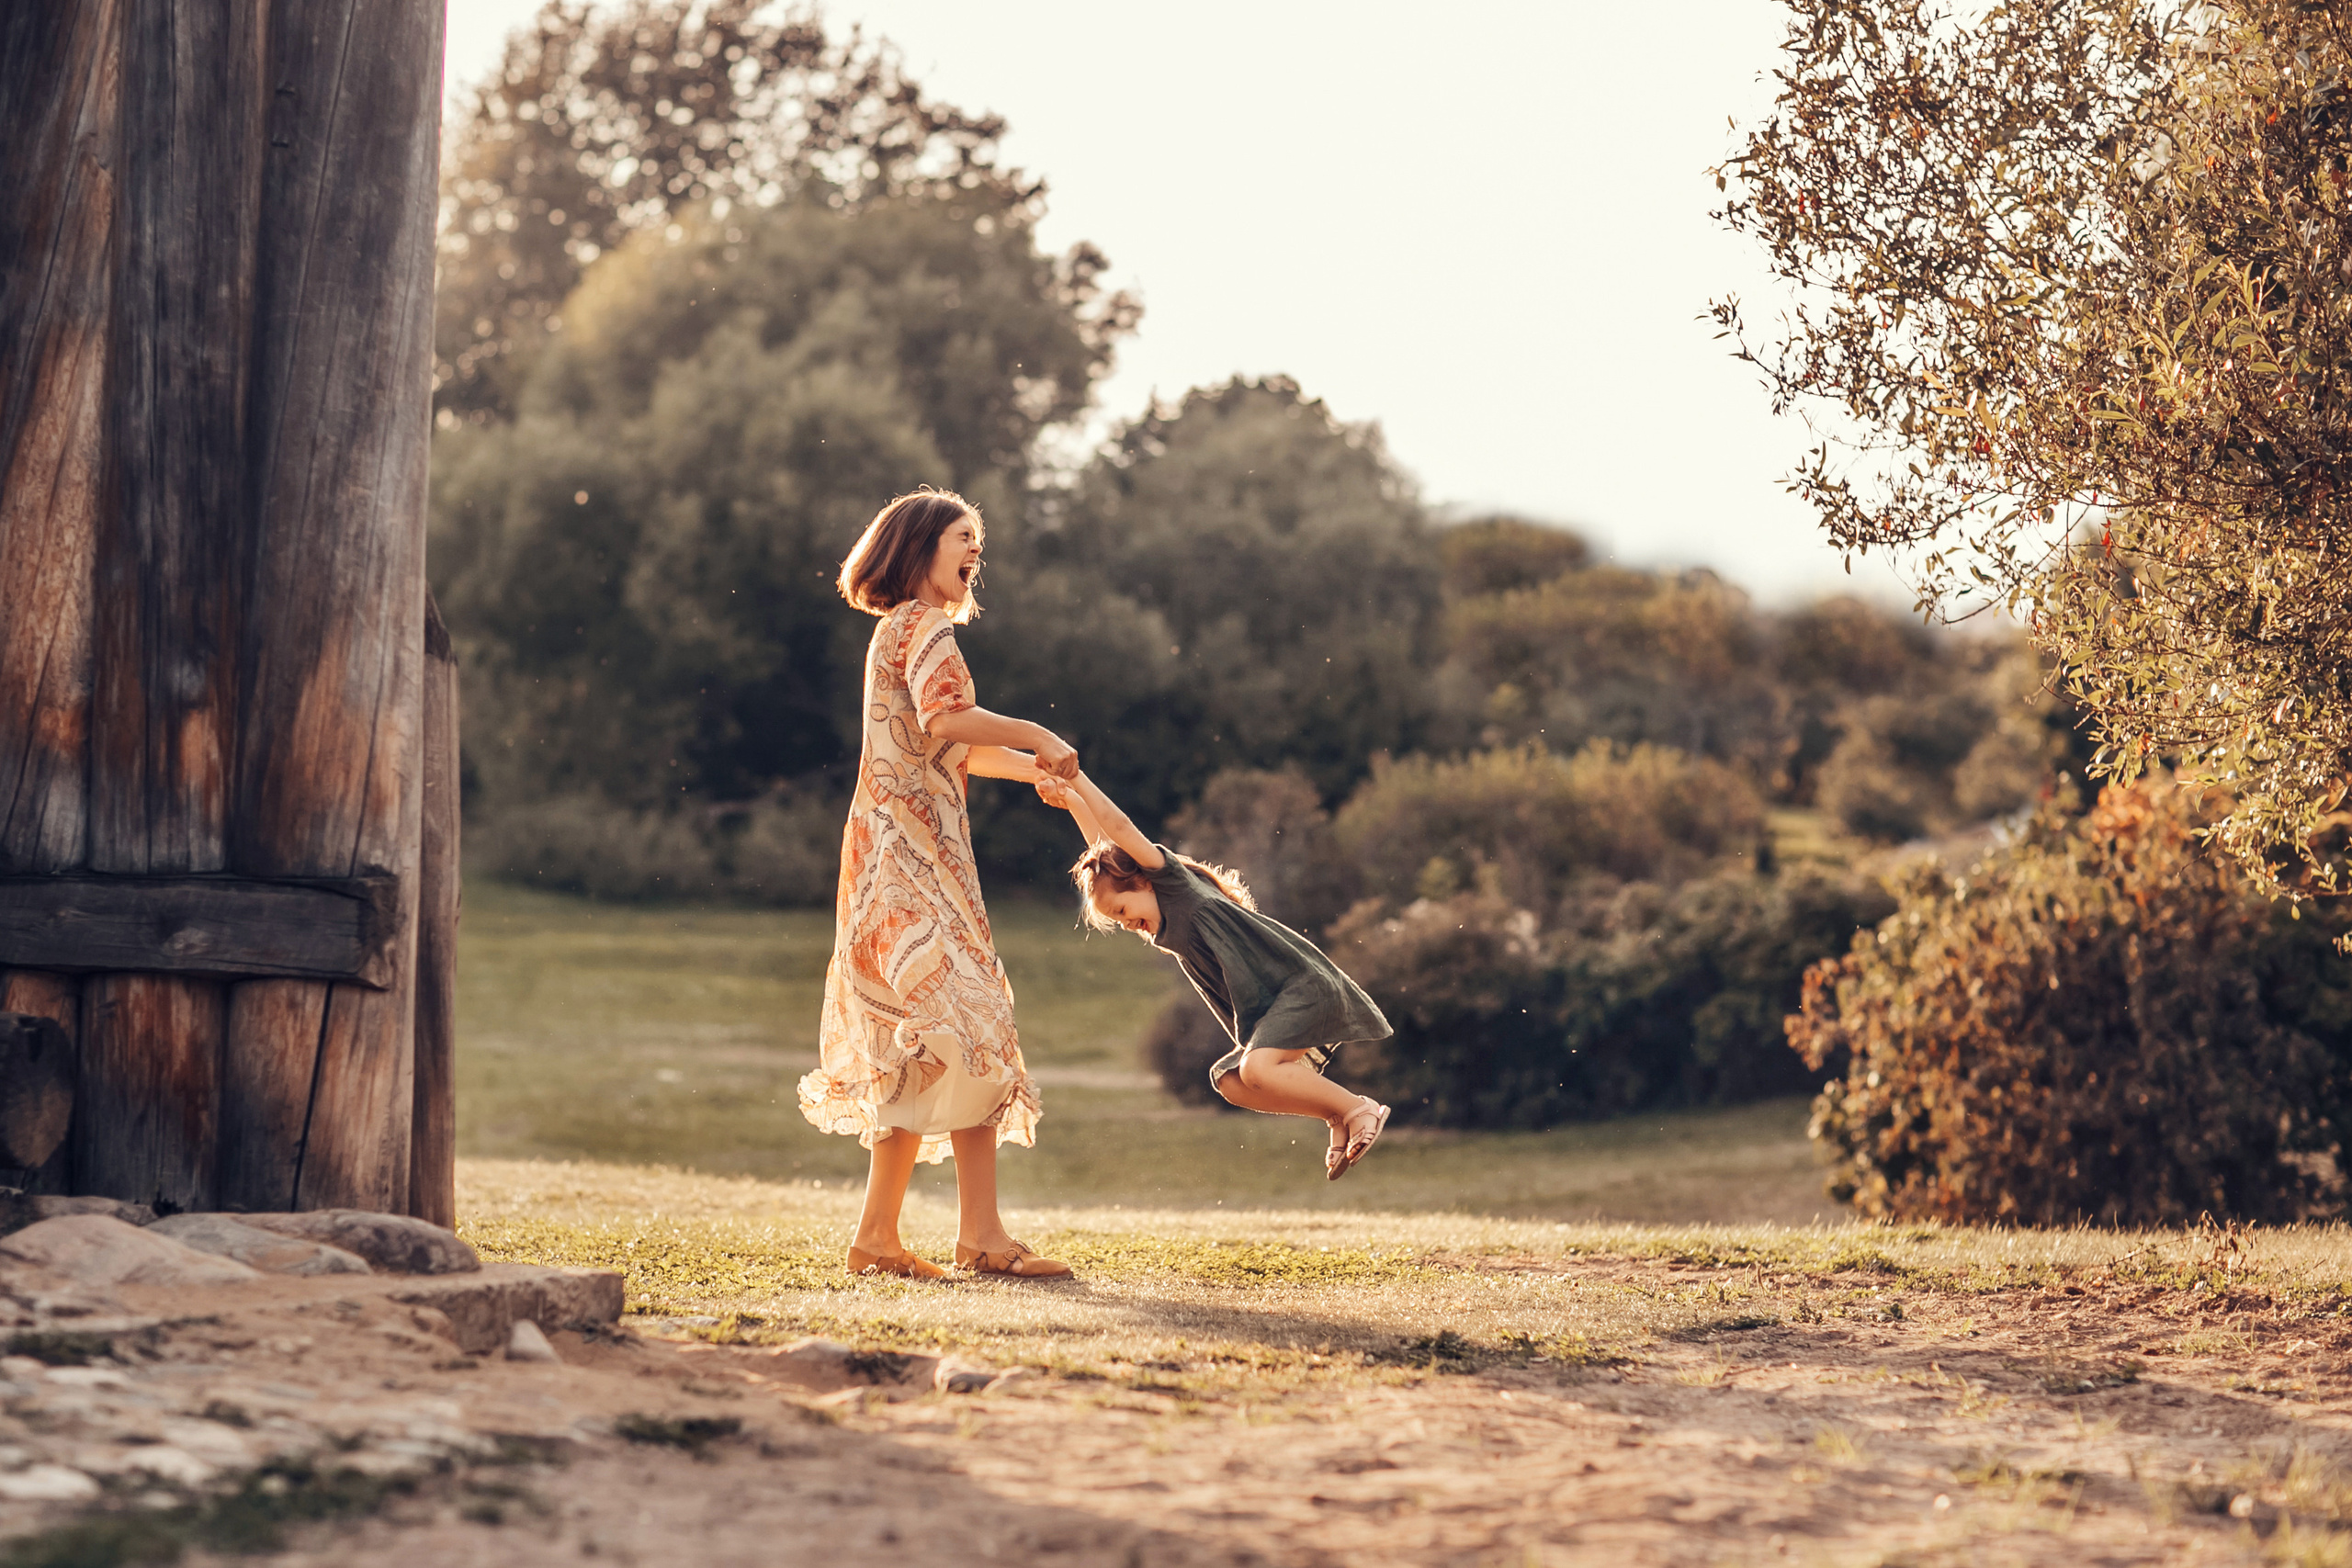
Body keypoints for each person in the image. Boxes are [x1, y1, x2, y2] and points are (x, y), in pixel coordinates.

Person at [798, 488, 1077, 1280]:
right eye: (964, 538)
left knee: (942, 1037)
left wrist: (1036, 774)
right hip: (907, 863)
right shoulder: (922, 627)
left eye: (977, 543)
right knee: (956, 1026)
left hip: (920, 862)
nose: (974, 553)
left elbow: (950, 747)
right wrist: (1040, 734)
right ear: (920, 546)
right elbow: (952, 720)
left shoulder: (905, 631)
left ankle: (923, 1237)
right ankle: (939, 1238)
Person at [1036, 770, 1394, 1179]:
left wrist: (1077, 779)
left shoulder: (1172, 883)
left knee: (1257, 1069)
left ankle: (1358, 1108)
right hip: (1277, 1001)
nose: (1125, 924)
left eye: (1121, 911)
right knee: (1232, 1082)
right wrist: (1073, 805)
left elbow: (1119, 831)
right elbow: (1105, 853)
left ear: (1144, 882)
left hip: (1299, 984)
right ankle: (1337, 1115)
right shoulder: (1158, 907)